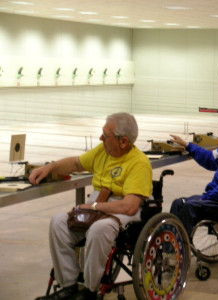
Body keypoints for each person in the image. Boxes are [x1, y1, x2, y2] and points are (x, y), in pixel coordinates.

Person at [30, 113, 152, 300]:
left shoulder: (139, 163)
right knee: (58, 222)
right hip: (98, 204)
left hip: (122, 210)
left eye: (105, 135)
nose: (101, 138)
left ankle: (89, 290)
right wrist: (50, 167)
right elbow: (76, 163)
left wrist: (95, 207)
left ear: (123, 141)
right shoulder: (103, 152)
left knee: (99, 229)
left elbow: (130, 206)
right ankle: (69, 286)